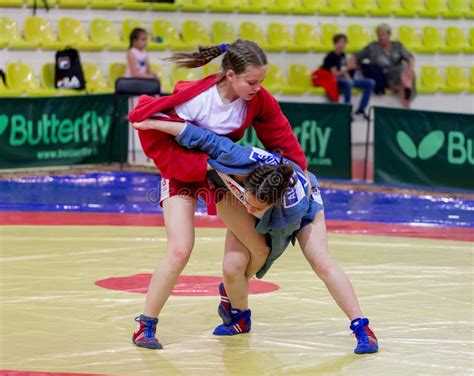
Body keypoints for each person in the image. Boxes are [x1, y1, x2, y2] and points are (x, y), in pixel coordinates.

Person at [132, 118, 379, 355]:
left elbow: (273, 249)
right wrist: (153, 124)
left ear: (271, 205)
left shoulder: (289, 211)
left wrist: (245, 278)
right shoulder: (239, 160)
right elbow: (204, 137)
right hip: (262, 193)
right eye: (248, 204)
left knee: (320, 262)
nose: (249, 210)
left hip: (305, 206)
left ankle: (362, 328)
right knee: (232, 268)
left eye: (256, 209)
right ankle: (239, 318)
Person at [128, 40, 308, 350]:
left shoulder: (256, 100)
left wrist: (301, 176)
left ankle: (232, 297)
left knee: (260, 249)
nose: (257, 88)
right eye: (252, 82)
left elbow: (281, 136)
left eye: (261, 81)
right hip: (182, 170)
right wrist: (197, 166)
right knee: (180, 250)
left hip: (217, 177)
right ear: (229, 75)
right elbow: (153, 136)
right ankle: (146, 325)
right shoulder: (196, 100)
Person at [355, 23, 415, 108]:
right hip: (383, 77)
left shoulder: (397, 45)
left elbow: (410, 57)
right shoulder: (372, 47)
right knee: (403, 72)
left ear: (389, 35)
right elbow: (357, 56)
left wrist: (411, 69)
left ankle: (405, 103)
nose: (381, 38)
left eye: (384, 35)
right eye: (379, 35)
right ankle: (407, 87)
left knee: (404, 70)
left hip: (398, 75)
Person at [322, 34, 375, 119]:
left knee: (370, 82)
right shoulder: (330, 56)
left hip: (344, 79)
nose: (342, 45)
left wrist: (350, 76)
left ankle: (361, 109)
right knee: (348, 82)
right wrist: (348, 68)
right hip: (334, 80)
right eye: (339, 43)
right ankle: (347, 110)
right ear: (335, 44)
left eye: (343, 43)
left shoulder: (342, 55)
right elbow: (335, 74)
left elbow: (344, 71)